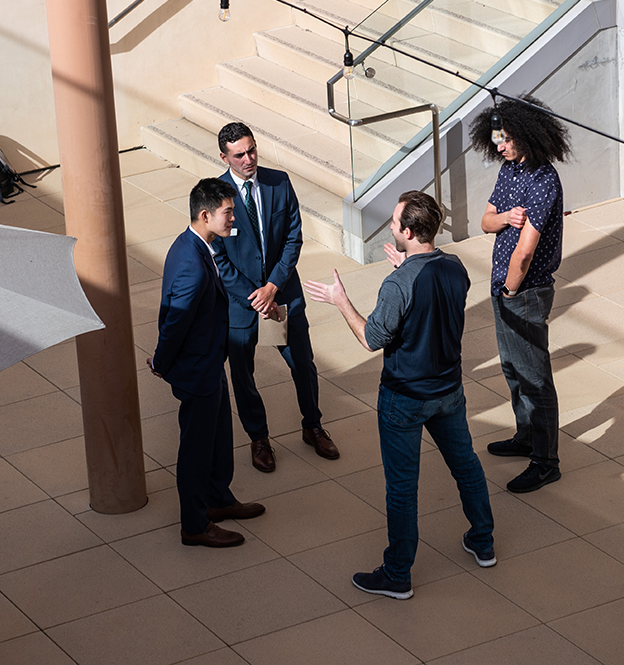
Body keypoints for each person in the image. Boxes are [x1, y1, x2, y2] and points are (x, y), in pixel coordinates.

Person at [305, 191, 494, 600]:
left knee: (403, 488)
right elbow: (430, 296)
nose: (391, 227)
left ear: (408, 232)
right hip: (448, 391)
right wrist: (407, 268)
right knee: (466, 466)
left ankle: (397, 574)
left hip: (403, 399)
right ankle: (483, 541)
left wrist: (341, 301)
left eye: (394, 223)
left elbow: (371, 338)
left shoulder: (398, 283)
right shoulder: (455, 268)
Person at [213, 122, 338, 473]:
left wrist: (272, 287)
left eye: (252, 150)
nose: (249, 158)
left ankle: (312, 425)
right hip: (242, 304)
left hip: (282, 295)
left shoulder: (278, 182)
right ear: (225, 157)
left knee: (304, 364)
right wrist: (253, 296)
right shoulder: (216, 195)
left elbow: (293, 238)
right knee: (243, 375)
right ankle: (259, 438)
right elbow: (218, 256)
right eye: (239, 155)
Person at [148, 178, 265, 547]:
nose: (235, 219)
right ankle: (195, 525)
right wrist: (162, 363)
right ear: (205, 215)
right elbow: (174, 322)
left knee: (218, 437)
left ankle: (218, 500)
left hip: (211, 362)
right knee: (196, 449)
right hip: (198, 371)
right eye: (229, 212)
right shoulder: (192, 265)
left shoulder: (199, 247)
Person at [471, 96, 570, 494]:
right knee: (513, 370)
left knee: (535, 378)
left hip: (523, 291)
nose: (499, 146)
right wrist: (506, 218)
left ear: (527, 136)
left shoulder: (544, 181)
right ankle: (525, 435)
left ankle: (546, 461)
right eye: (496, 139)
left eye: (505, 139)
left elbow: (525, 252)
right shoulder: (510, 170)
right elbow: (485, 221)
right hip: (503, 287)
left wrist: (511, 290)